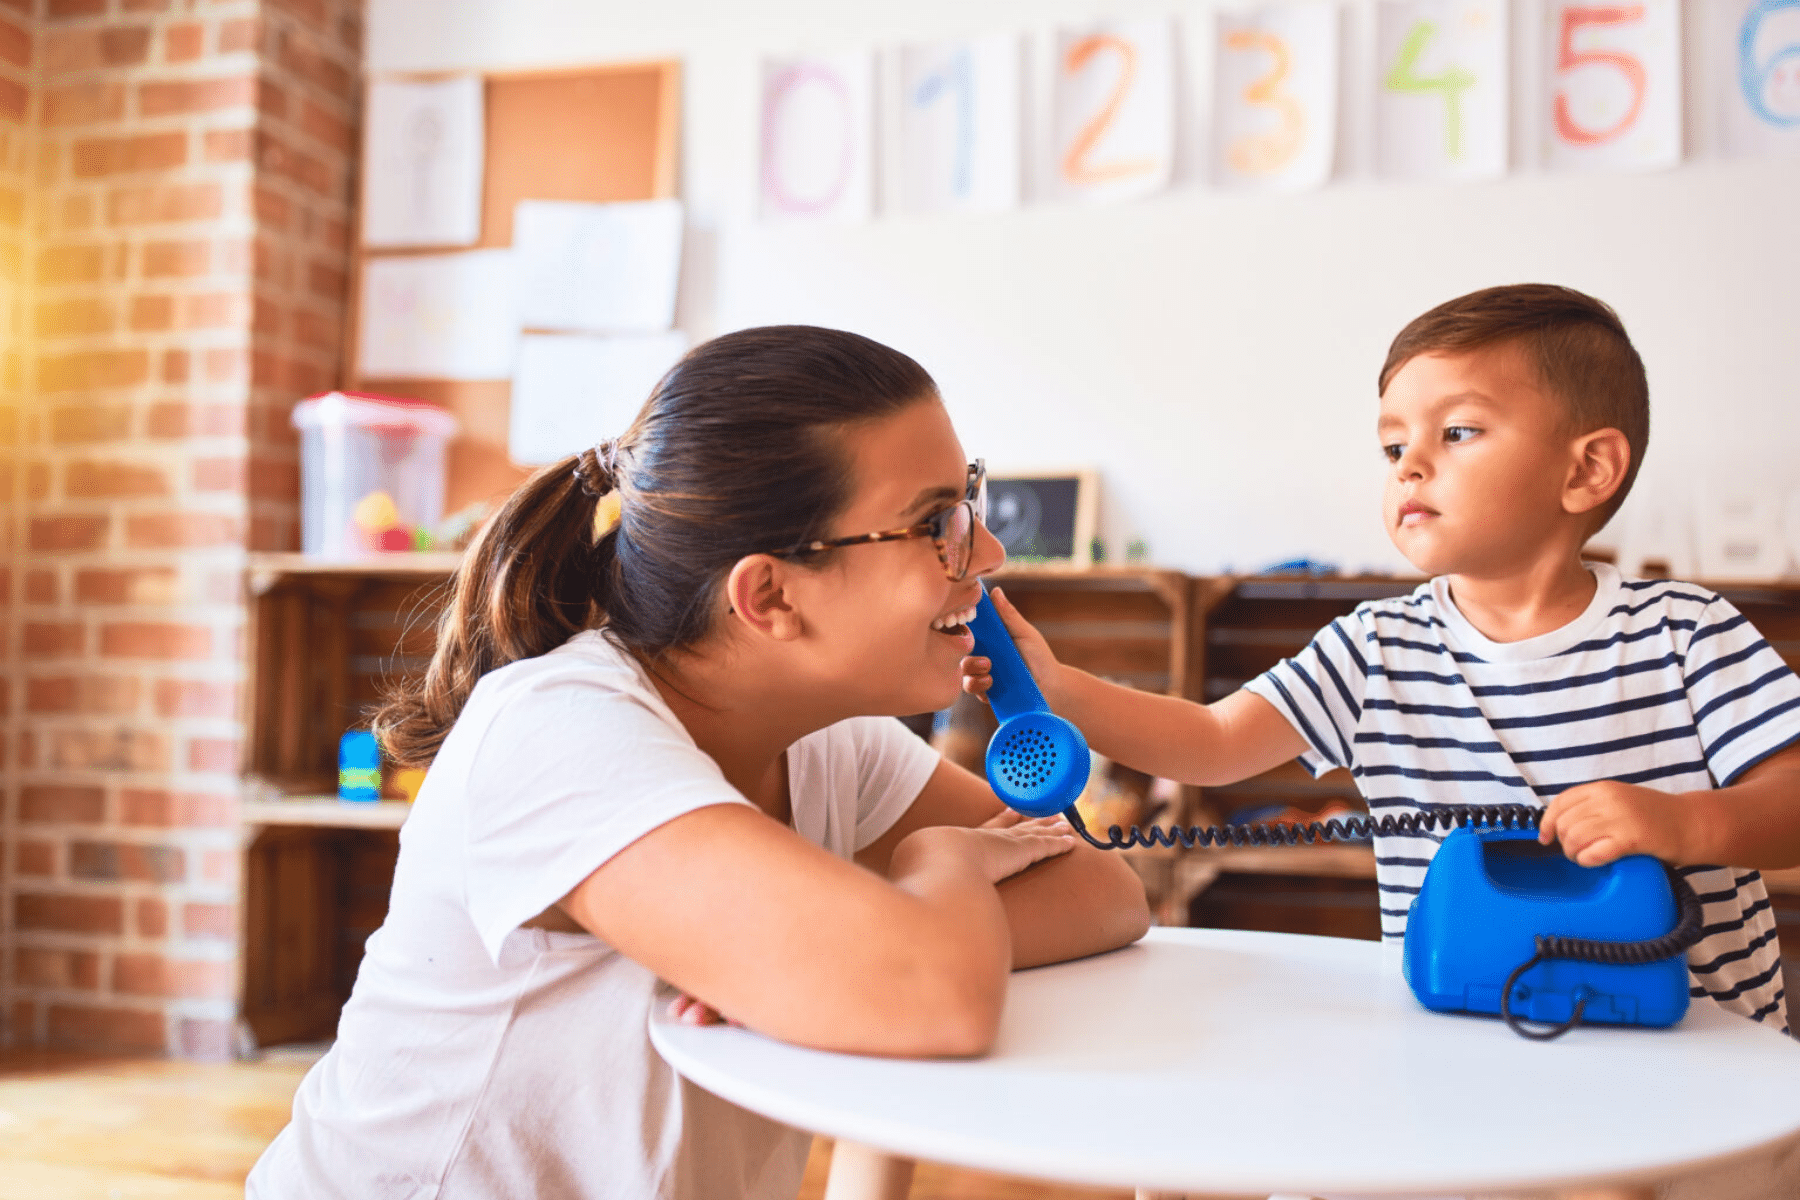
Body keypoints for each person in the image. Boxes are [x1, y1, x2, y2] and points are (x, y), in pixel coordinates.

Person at [248, 326, 1151, 1200]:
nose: (987, 555)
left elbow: (1103, 894)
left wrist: (854, 953)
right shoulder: (561, 734)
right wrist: (936, 871)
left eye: (970, 502)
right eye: (936, 525)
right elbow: (936, 999)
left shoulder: (822, 740)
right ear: (769, 595)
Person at [966, 283, 1800, 1034]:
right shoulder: (1375, 646)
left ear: (1587, 469)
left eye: (1459, 431)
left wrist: (1686, 825)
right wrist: (1061, 688)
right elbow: (1213, 741)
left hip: (1698, 1056)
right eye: (1393, 447)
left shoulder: (1688, 632)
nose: (1412, 466)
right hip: (1465, 1034)